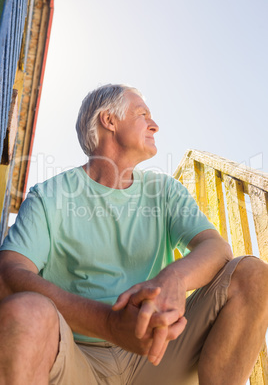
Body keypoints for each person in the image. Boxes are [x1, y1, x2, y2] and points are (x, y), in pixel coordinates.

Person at [0, 84, 267, 385]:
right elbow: (9, 275)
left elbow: (216, 249)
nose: (154, 124)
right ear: (109, 121)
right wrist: (109, 323)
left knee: (253, 275)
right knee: (25, 313)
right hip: (78, 360)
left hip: (158, 355)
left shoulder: (163, 190)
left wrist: (173, 279)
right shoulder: (49, 196)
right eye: (142, 114)